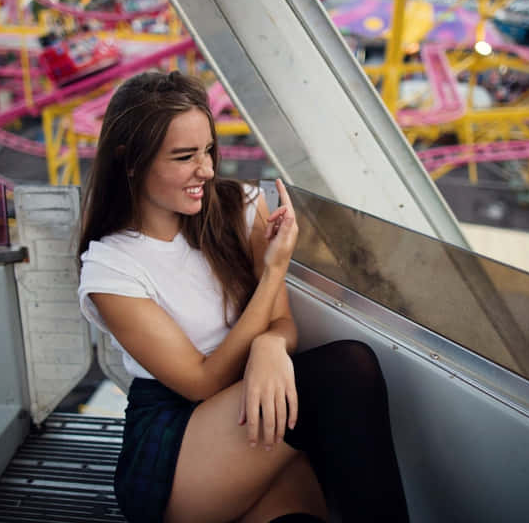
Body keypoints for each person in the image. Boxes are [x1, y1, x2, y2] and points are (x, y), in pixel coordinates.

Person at [77, 71, 409, 523]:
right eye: (184, 156)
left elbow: (282, 324)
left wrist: (271, 346)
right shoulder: (111, 267)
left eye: (209, 150)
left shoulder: (241, 207)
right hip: (178, 445)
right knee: (346, 370)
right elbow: (201, 382)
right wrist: (274, 270)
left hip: (252, 407)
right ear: (129, 160)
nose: (207, 170)